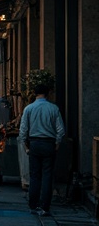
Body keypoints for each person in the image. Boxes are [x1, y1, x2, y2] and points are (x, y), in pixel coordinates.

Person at [18, 82, 66, 215]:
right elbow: (60, 130)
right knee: (47, 175)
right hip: (49, 143)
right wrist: (57, 144)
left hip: (34, 143)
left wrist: (25, 146)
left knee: (34, 175)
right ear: (47, 94)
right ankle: (45, 206)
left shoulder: (29, 108)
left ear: (35, 93)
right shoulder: (53, 108)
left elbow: (23, 130)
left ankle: (33, 205)